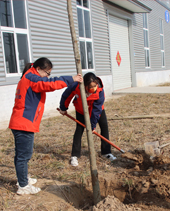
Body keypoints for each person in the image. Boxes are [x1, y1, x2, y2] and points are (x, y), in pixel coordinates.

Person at [9, 57, 83, 195]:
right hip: (23, 123)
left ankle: (23, 178)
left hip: (23, 122)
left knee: (23, 154)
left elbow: (46, 82)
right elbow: (49, 84)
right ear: (38, 69)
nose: (47, 76)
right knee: (23, 155)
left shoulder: (29, 76)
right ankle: (23, 186)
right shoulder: (32, 78)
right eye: (47, 73)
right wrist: (71, 79)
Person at [59, 72, 116, 167]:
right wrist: (63, 108)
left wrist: (92, 126)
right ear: (84, 85)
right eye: (90, 86)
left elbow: (96, 111)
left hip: (97, 111)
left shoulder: (100, 91)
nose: (93, 88)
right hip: (81, 110)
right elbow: (66, 95)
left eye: (95, 85)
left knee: (104, 127)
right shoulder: (76, 86)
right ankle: (74, 155)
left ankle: (106, 152)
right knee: (79, 130)